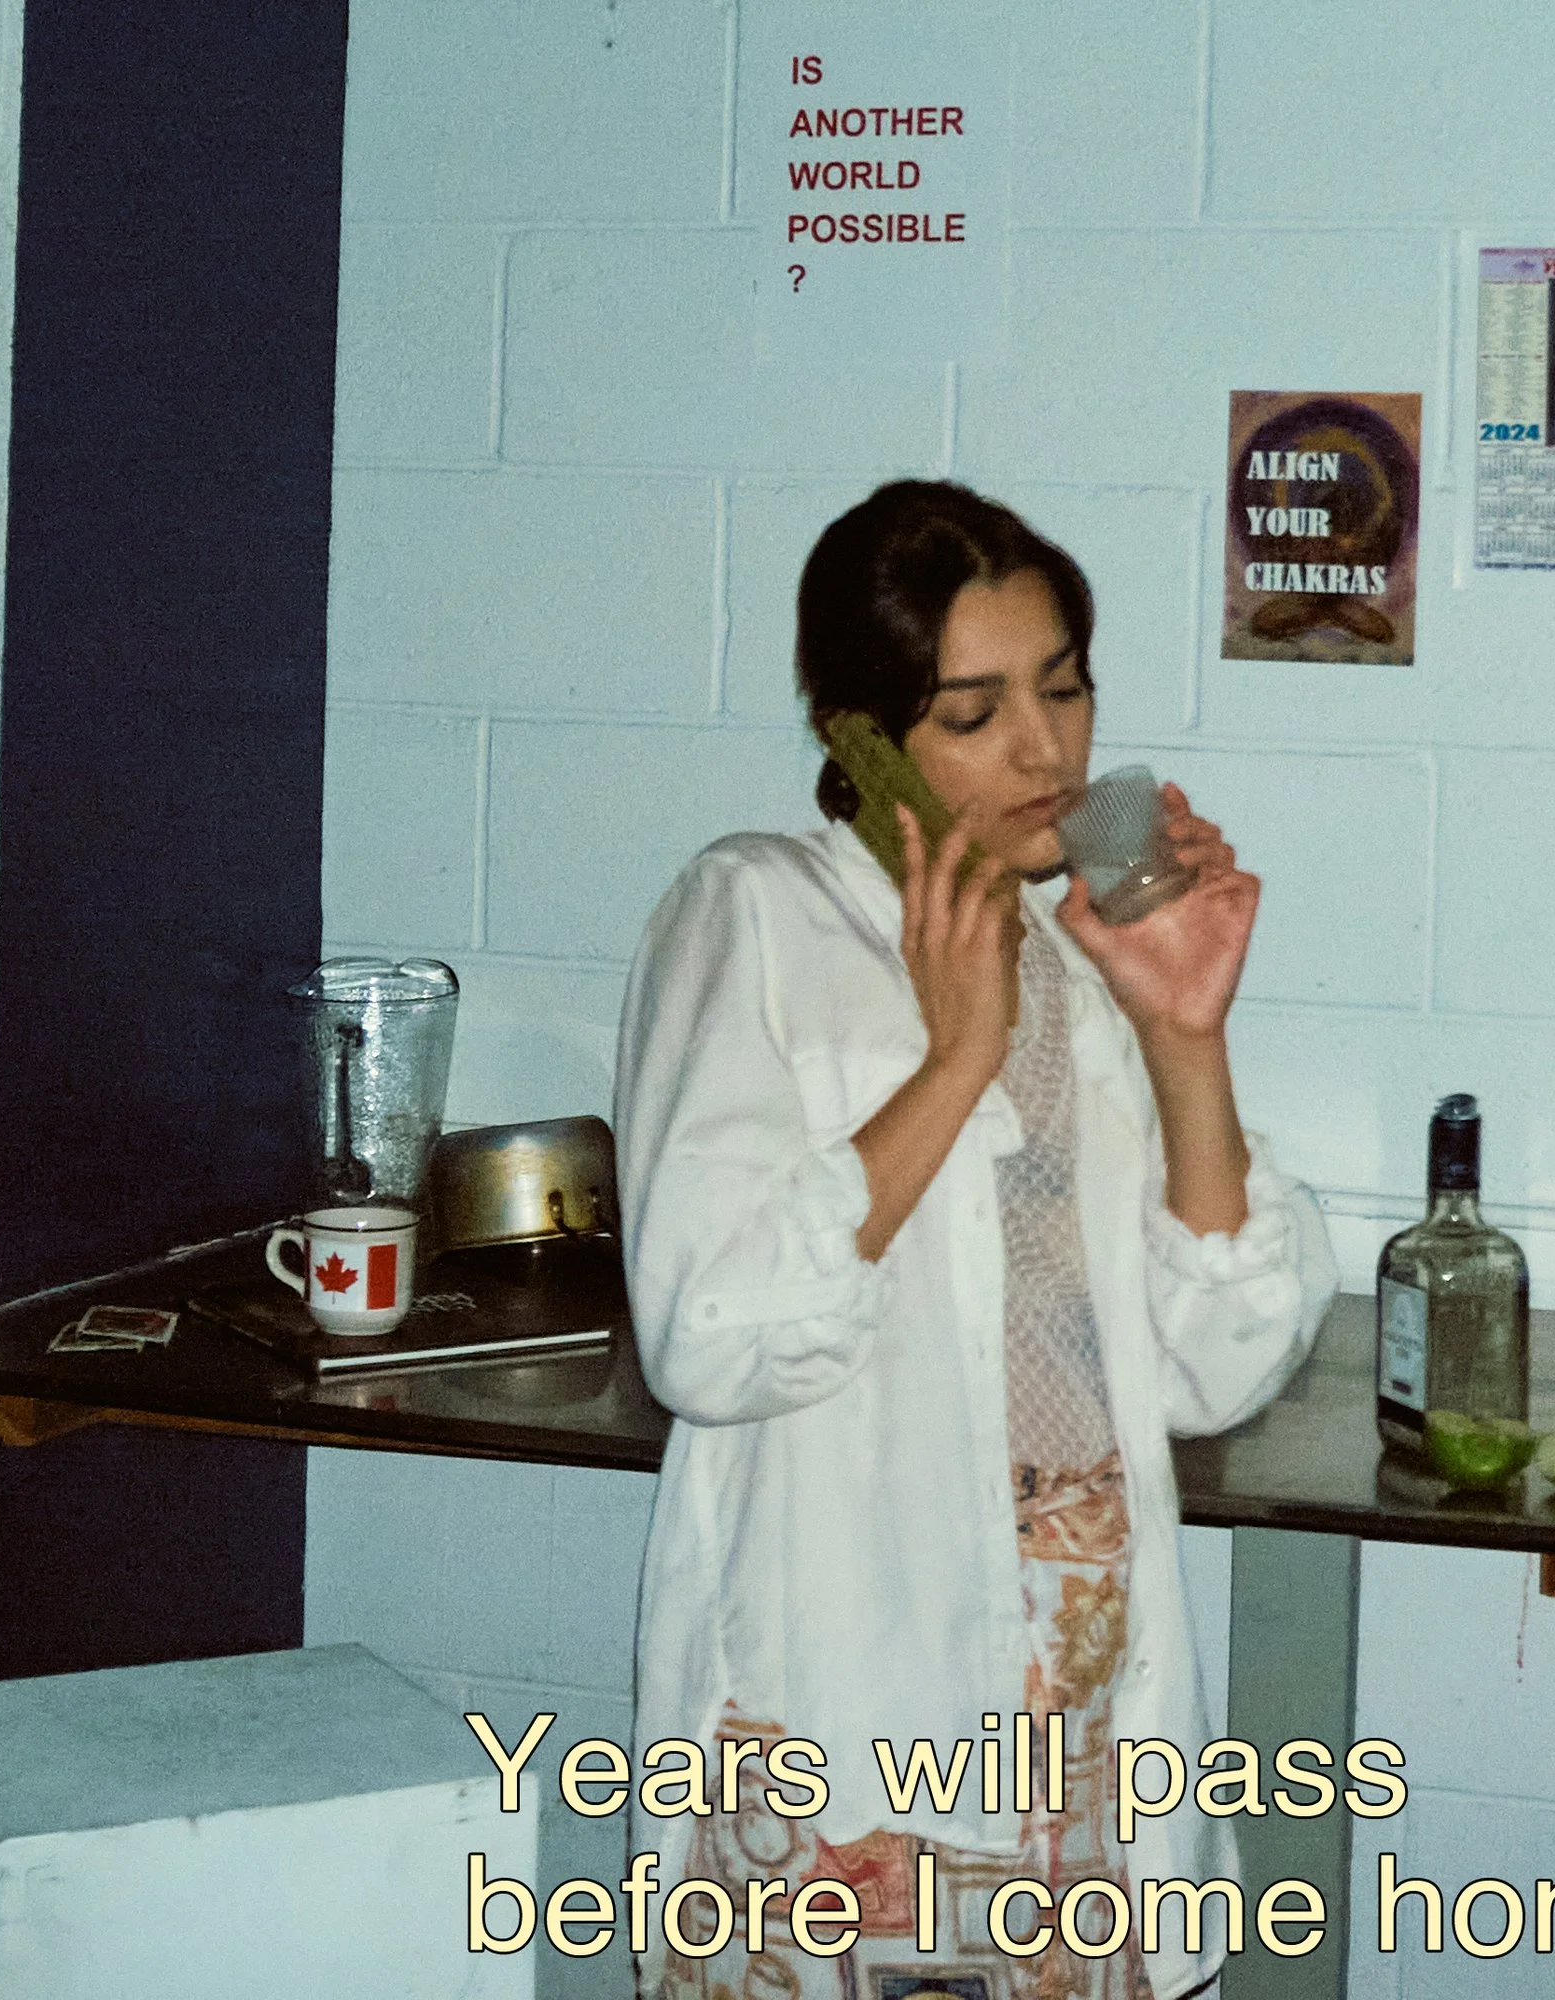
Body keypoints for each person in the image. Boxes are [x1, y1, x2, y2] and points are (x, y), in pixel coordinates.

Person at [613, 480, 1339, 1999]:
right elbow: (708, 1338)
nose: (1046, 752)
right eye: (974, 710)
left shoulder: (1082, 965)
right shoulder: (755, 918)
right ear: (858, 734)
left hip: (1083, 1698)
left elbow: (1217, 1364)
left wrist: (1183, 1031)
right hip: (852, 1710)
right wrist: (953, 1059)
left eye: (1064, 688)